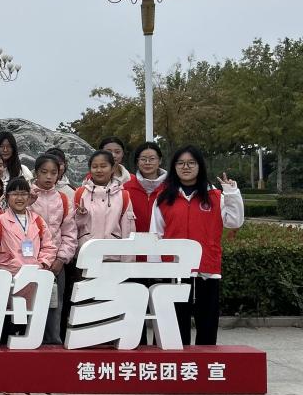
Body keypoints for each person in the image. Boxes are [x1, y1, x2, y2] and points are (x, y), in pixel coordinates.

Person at [151, 146, 244, 345]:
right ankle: (179, 363)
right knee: (177, 329)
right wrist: (156, 268)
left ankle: (206, 362)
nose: (186, 167)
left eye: (191, 163)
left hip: (207, 269)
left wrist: (232, 193)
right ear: (174, 167)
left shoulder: (216, 197)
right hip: (174, 271)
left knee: (207, 326)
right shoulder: (164, 198)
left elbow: (234, 221)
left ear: (200, 166)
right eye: (181, 163)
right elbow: (155, 235)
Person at [0, 177, 58, 345]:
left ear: (29, 197)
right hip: (9, 276)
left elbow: (49, 246)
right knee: (5, 318)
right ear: (7, 197)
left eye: (23, 194)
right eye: (15, 194)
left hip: (33, 276)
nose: (19, 198)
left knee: (27, 320)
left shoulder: (37, 220)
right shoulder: (0, 219)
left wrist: (42, 264)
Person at [28, 154, 77, 345]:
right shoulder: (27, 196)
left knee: (55, 304)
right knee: (29, 303)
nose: (49, 177)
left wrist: (61, 259)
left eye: (53, 173)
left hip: (56, 264)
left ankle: (53, 343)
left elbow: (69, 232)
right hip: (30, 262)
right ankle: (27, 341)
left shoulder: (63, 199)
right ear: (36, 173)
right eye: (44, 172)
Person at [74, 150, 135, 252]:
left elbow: (128, 230)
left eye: (103, 166)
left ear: (112, 168)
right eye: (94, 167)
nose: (99, 170)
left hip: (113, 254)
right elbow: (70, 228)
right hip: (85, 254)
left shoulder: (123, 195)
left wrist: (127, 259)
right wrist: (80, 216)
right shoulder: (80, 193)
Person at [125, 141, 167, 233]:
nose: (147, 162)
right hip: (134, 240)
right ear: (137, 162)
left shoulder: (171, 188)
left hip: (164, 240)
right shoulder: (126, 188)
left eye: (152, 159)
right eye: (143, 159)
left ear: (160, 160)